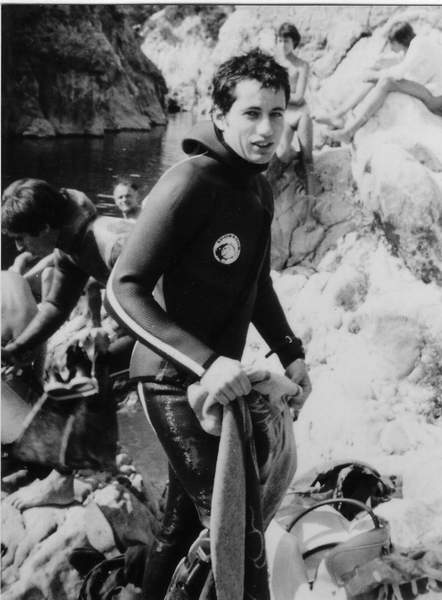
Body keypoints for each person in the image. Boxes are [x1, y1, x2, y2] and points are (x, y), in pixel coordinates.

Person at [106, 48, 312, 599]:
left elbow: (257, 284)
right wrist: (205, 362)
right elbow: (123, 288)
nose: (267, 129)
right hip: (170, 380)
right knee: (233, 523)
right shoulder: (189, 182)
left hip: (221, 380)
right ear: (220, 115)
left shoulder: (257, 188)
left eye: (277, 113)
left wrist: (290, 351)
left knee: (181, 525)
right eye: (252, 113)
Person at [1, 179, 134, 508]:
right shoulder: (71, 243)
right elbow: (56, 305)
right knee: (74, 361)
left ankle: (67, 478)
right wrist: (16, 350)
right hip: (147, 322)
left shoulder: (110, 241)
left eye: (21, 237)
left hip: (184, 330)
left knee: (81, 365)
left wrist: (110, 334)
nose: (18, 247)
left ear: (45, 227)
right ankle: (63, 467)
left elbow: (162, 303)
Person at [325, 22, 442, 142]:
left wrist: (376, 75)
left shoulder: (419, 43)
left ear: (397, 41)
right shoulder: (419, 45)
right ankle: (340, 114)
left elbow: (399, 74)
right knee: (381, 78)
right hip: (435, 95)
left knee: (386, 82)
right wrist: (378, 73)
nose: (390, 48)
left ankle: (348, 131)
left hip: (436, 99)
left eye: (390, 43)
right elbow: (410, 75)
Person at [274, 22, 319, 195]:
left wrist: (277, 96)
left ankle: (311, 205)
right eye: (279, 40)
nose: (282, 45)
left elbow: (299, 97)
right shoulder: (274, 64)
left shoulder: (302, 65)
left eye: (286, 41)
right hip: (284, 114)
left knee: (308, 159)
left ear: (294, 42)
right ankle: (295, 156)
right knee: (282, 153)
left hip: (301, 113)